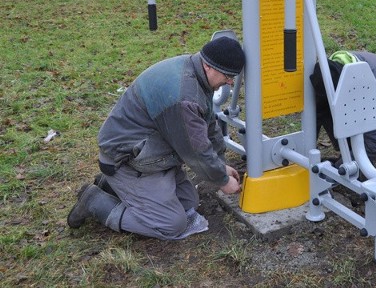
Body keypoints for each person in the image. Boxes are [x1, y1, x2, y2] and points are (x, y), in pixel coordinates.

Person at [67, 36, 246, 240]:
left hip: (149, 154)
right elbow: (195, 151)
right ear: (209, 66)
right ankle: (96, 201)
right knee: (171, 224)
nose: (230, 82)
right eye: (228, 75)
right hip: (126, 160)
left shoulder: (193, 71)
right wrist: (221, 180)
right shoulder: (184, 97)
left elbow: (208, 124)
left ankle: (112, 187)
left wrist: (220, 164)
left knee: (189, 203)